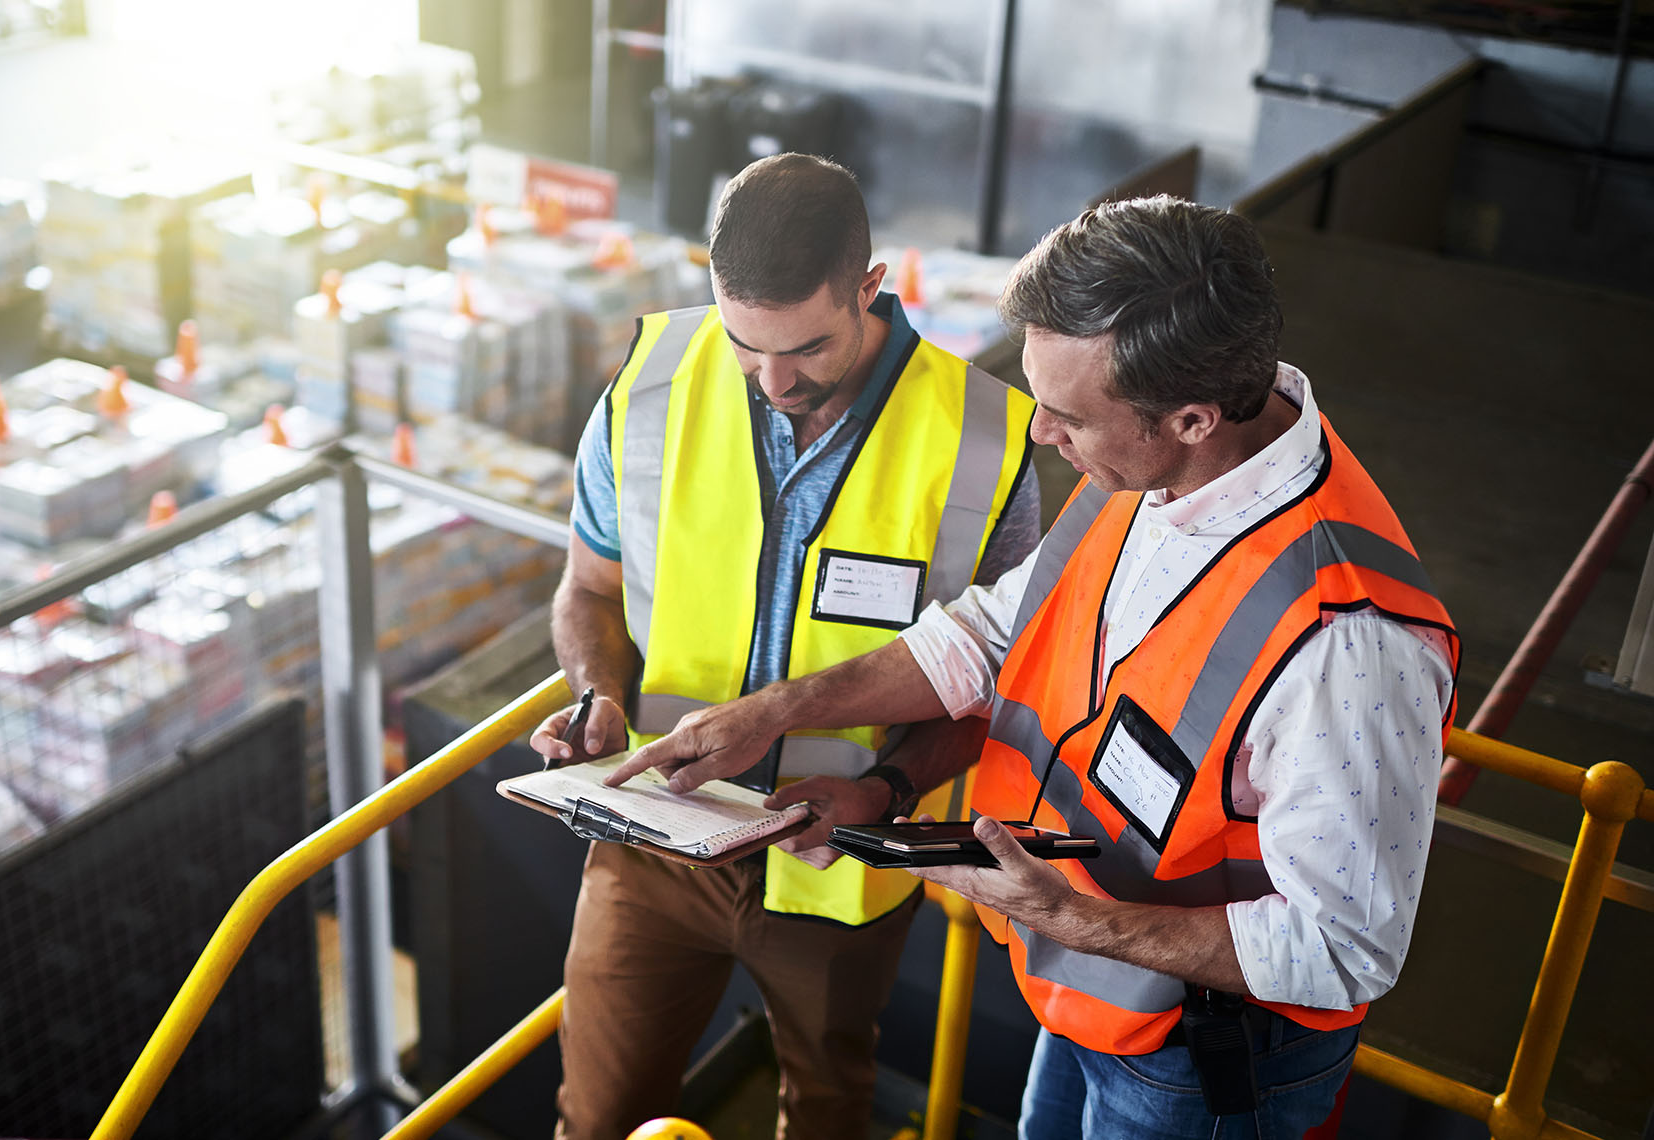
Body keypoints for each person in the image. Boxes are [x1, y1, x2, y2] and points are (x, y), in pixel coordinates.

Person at [609, 196, 1460, 1138]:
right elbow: (986, 635)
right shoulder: (1155, 472)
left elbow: (1343, 948)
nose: (1043, 436)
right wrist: (775, 712)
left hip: (1204, 1066)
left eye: (1067, 417)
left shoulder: (1351, 644)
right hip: (1092, 999)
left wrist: (1069, 915)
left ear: (1189, 418)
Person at [528, 152, 1042, 1140]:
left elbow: (996, 687)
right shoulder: (648, 387)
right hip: (652, 843)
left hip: (838, 863)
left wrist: (887, 794)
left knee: (825, 1116)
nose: (771, 381)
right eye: (742, 344)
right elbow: (588, 587)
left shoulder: (984, 441)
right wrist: (597, 693)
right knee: (593, 1122)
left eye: (804, 348)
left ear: (867, 288)